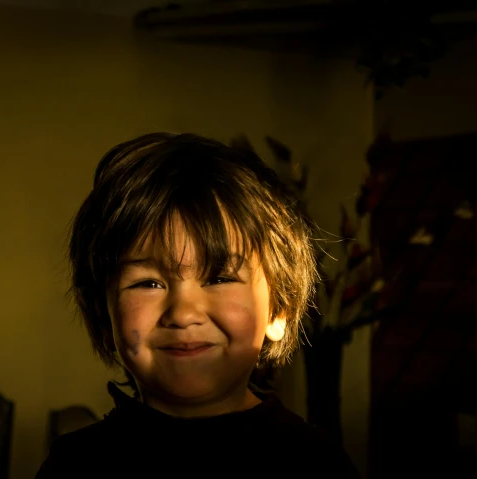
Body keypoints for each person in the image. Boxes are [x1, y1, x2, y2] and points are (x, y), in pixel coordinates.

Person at [35, 132, 358, 477]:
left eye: (219, 278)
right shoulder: (74, 464)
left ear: (278, 309)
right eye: (148, 283)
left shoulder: (316, 464)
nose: (184, 313)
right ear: (103, 314)